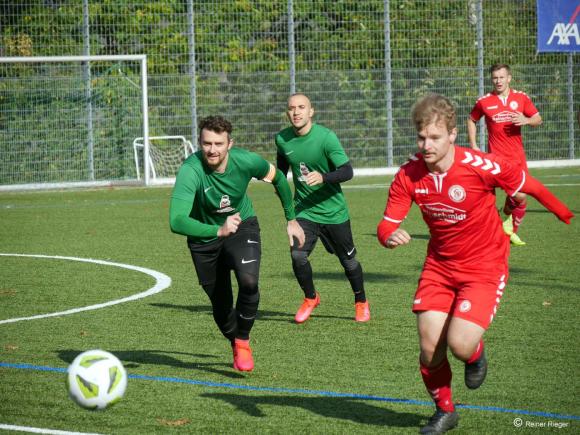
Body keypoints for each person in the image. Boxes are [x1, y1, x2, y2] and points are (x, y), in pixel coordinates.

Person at [377, 94, 573, 434]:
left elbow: (531, 187)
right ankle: (445, 411)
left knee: (460, 344)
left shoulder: (480, 165)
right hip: (440, 267)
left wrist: (564, 213)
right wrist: (388, 235)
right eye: (421, 137)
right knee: (428, 348)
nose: (427, 145)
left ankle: (474, 353)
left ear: (453, 135)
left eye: (435, 137)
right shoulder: (409, 174)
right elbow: (386, 224)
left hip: (484, 266)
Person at [170, 115, 305, 372]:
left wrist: (291, 218)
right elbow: (176, 220)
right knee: (221, 308)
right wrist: (217, 229)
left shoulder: (246, 161)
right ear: (199, 142)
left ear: (229, 144)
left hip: (242, 225)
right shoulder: (191, 170)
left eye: (218, 143)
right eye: (206, 143)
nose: (212, 149)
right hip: (204, 240)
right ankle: (235, 339)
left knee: (249, 281)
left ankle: (243, 340)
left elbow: (277, 178)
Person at [275, 93, 370, 323]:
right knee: (297, 255)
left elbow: (347, 171)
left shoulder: (326, 138)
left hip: (334, 213)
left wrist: (324, 177)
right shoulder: (282, 139)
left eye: (301, 107)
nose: (296, 112)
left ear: (311, 111)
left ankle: (361, 301)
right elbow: (280, 174)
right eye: (291, 108)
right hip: (304, 211)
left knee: (348, 261)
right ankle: (310, 298)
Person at [467, 63, 543, 246]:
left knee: (517, 197)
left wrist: (526, 120)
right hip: (497, 160)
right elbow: (471, 119)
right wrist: (474, 145)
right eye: (495, 77)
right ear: (491, 79)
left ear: (509, 78)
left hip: (518, 158)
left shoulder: (521, 98)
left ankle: (508, 229)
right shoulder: (484, 101)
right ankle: (504, 229)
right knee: (520, 196)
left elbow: (538, 119)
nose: (498, 81)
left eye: (502, 77)